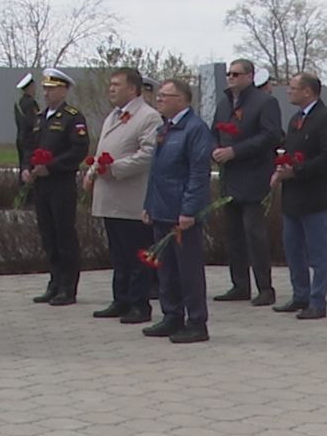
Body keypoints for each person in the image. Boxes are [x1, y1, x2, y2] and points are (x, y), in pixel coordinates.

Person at [86, 67, 164, 324]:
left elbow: (147, 154)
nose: (111, 88)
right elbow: (103, 149)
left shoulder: (148, 117)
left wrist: (115, 169)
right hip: (110, 197)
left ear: (133, 88)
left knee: (136, 254)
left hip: (131, 197)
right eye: (111, 84)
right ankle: (121, 299)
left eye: (117, 84)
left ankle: (139, 305)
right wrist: (92, 171)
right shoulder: (113, 116)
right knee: (118, 254)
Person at [141, 78, 216, 343]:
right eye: (159, 94)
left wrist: (189, 210)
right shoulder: (166, 128)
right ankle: (172, 315)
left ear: (182, 100)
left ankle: (196, 321)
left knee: (188, 270)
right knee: (167, 269)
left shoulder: (195, 129)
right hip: (162, 209)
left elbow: (198, 174)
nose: (159, 99)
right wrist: (148, 205)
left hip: (182, 214)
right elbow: (156, 172)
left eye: (165, 95)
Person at [212, 59, 284, 306]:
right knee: (233, 234)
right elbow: (214, 132)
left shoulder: (265, 102)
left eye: (236, 73)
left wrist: (236, 151)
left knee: (255, 234)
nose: (231, 77)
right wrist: (215, 150)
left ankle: (265, 287)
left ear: (250, 76)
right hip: (229, 177)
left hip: (253, 175)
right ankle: (239, 284)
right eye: (229, 74)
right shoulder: (224, 103)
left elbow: (271, 135)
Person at [271, 73, 327, 319]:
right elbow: (290, 151)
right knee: (293, 248)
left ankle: (317, 300)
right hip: (293, 195)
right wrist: (281, 170)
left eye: (293, 88)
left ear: (308, 92)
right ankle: (299, 294)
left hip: (314, 195)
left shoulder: (326, 118)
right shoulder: (295, 119)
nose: (288, 92)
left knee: (317, 251)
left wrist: (298, 170)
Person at [24, 68, 90, 306]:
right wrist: (26, 167)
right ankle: (54, 282)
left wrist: (51, 166)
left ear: (64, 90)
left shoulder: (73, 117)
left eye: (52, 88)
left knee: (64, 235)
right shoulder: (41, 118)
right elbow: (29, 145)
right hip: (41, 184)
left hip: (60, 183)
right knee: (48, 234)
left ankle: (67, 287)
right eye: (45, 88)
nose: (47, 93)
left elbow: (78, 150)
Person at [13, 71, 39, 168]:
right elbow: (34, 122)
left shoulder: (19, 103)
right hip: (30, 140)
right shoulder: (31, 103)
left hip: (20, 138)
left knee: (22, 167)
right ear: (30, 87)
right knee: (29, 168)